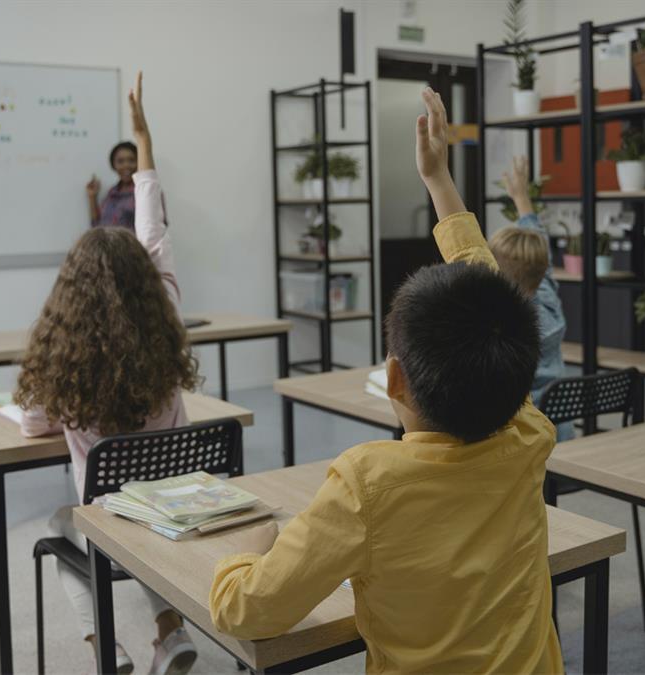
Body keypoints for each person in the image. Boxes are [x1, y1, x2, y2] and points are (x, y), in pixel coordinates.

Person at [206, 87, 561, 674]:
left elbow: (246, 611)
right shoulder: (526, 432)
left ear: (394, 378)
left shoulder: (366, 484)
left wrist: (243, 555)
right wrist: (439, 181)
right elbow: (485, 284)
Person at [16, 72, 200, 675]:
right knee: (141, 518)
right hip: (175, 505)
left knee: (65, 524)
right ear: (149, 282)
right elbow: (153, 228)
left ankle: (106, 650)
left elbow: (33, 426)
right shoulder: (166, 311)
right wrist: (145, 138)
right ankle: (170, 632)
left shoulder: (62, 358)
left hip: (113, 517)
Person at [492, 155, 572, 441]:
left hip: (523, 444)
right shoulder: (547, 298)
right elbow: (542, 253)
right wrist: (520, 196)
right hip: (560, 433)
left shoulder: (504, 327)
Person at [87, 141, 139, 228]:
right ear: (113, 164)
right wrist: (92, 197)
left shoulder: (146, 191)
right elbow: (97, 225)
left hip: (132, 242)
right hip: (105, 241)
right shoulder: (112, 192)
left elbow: (156, 228)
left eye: (131, 160)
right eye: (120, 161)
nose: (126, 165)